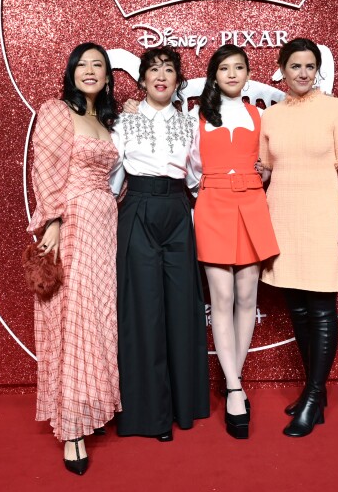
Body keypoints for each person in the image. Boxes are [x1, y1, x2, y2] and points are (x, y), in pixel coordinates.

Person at [259, 37, 338, 437]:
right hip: (282, 220)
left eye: (309, 67)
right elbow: (266, 172)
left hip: (322, 220)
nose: (302, 73)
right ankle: (312, 397)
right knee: (298, 311)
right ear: (282, 70)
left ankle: (314, 395)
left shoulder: (336, 109)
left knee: (320, 311)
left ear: (316, 70)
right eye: (295, 66)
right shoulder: (272, 116)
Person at [28, 42, 122, 475]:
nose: (90, 70)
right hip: (74, 224)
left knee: (98, 319)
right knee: (72, 319)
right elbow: (44, 168)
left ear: (107, 76)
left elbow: (114, 177)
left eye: (98, 65)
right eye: (82, 64)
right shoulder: (56, 111)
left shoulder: (102, 119)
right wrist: (52, 221)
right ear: (71, 72)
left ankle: (90, 405)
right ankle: (71, 430)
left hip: (105, 227)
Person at [110, 46, 210, 441]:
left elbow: (197, 180)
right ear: (143, 80)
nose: (162, 75)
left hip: (176, 211)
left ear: (177, 79)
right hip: (137, 209)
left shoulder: (190, 124)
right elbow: (114, 179)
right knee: (144, 311)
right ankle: (150, 414)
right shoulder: (124, 121)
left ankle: (185, 406)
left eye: (169, 69)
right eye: (154, 69)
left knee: (183, 308)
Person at [194, 44, 279, 439]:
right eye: (224, 68)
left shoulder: (259, 115)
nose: (231, 74)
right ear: (214, 75)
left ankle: (234, 380)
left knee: (248, 298)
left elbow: (272, 161)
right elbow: (188, 170)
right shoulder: (195, 117)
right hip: (212, 206)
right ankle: (234, 389)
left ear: (248, 75)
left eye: (239, 68)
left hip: (251, 206)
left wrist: (262, 173)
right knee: (221, 299)